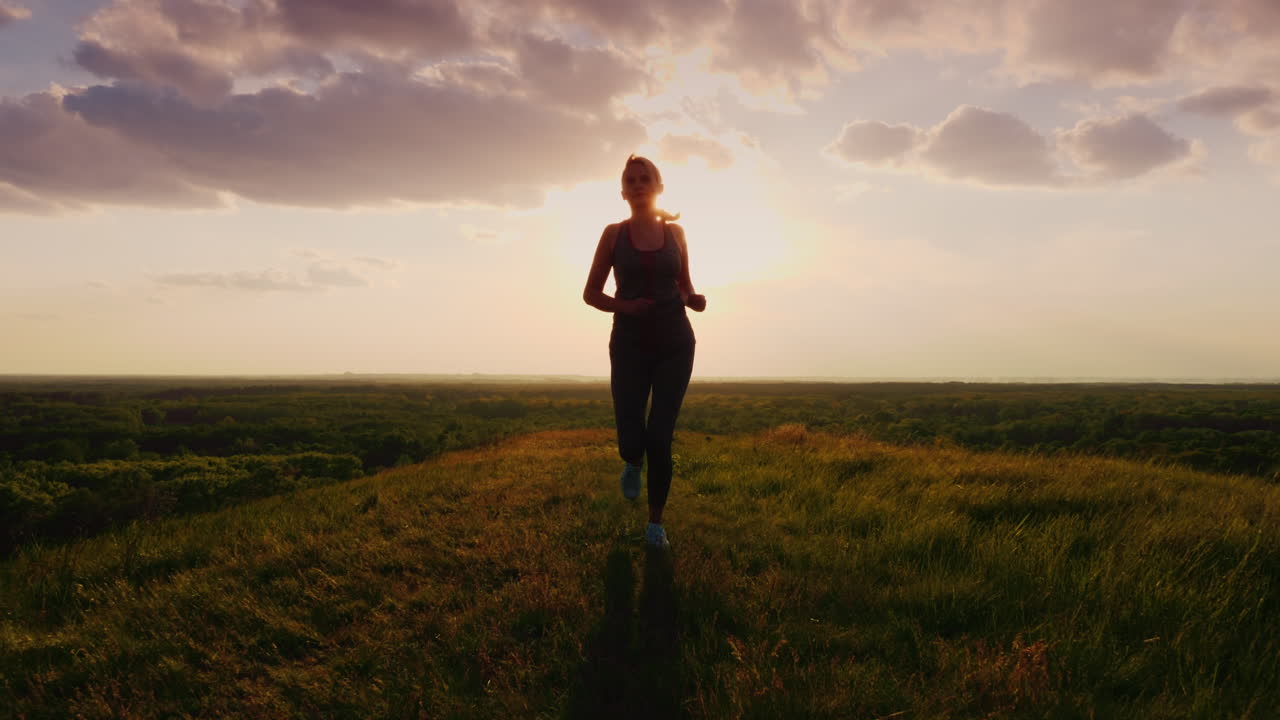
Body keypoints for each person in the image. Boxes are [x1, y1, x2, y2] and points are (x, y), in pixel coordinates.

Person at [583, 155, 706, 550]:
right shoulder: (613, 235)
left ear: (658, 187)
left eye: (645, 179)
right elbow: (591, 294)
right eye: (631, 180)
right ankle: (631, 461)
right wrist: (626, 307)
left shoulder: (677, 234)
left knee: (661, 436)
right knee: (631, 436)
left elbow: (684, 286)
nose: (638, 185)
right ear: (623, 191)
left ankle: (656, 524)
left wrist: (693, 299)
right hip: (630, 344)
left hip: (675, 342)